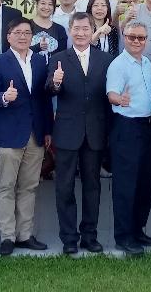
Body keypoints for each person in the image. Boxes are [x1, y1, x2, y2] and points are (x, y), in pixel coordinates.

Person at [0, 18, 51, 256]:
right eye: (17, 32)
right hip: (9, 134)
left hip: (35, 134)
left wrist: (47, 131)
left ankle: (25, 235)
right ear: (8, 36)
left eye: (27, 32)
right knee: (6, 186)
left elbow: (44, 100)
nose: (23, 36)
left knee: (29, 186)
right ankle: (7, 237)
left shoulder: (40, 61)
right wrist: (4, 97)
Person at [47, 13, 113, 254]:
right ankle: (69, 238)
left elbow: (109, 96)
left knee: (92, 187)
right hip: (66, 132)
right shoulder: (58, 58)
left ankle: (89, 236)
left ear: (92, 30)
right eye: (76, 28)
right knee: (64, 187)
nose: (81, 33)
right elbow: (49, 90)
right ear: (70, 30)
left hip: (95, 131)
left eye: (86, 28)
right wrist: (55, 82)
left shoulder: (105, 59)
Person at [105, 21, 151, 255]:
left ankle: (138, 231)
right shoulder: (118, 64)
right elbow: (111, 94)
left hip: (147, 128)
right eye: (132, 37)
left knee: (145, 183)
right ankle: (124, 237)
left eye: (141, 38)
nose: (137, 41)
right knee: (126, 185)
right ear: (124, 37)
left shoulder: (147, 62)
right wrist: (119, 100)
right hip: (126, 128)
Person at [28, 0, 68, 64]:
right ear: (36, 4)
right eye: (43, 3)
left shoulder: (60, 29)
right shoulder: (27, 25)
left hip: (53, 73)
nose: (46, 7)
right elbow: (19, 50)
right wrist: (37, 47)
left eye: (50, 4)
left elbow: (63, 56)